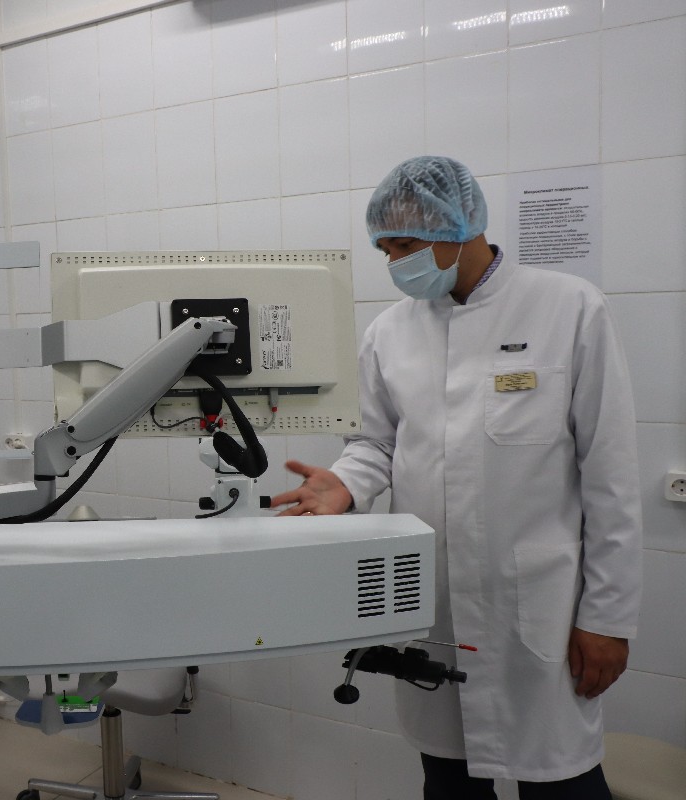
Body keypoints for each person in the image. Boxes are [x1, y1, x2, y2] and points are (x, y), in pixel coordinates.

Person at [271, 156, 642, 799]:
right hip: (436, 600)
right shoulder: (389, 332)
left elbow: (611, 475)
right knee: (447, 777)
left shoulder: (569, 307)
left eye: (406, 245)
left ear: (461, 226)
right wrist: (347, 483)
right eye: (386, 250)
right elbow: (375, 443)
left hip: (539, 604)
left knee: (561, 780)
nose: (396, 263)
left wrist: (608, 618)